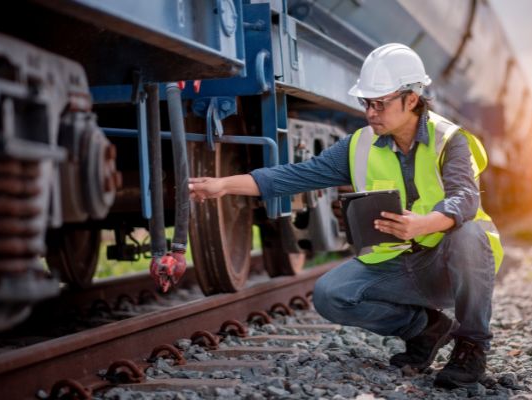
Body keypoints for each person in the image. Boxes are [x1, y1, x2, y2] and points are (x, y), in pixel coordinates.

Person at [188, 43, 504, 388]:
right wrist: (223, 185)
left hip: (450, 266)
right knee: (330, 294)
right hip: (403, 265)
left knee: (469, 234)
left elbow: (464, 198)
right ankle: (425, 329)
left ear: (411, 99)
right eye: (365, 103)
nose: (370, 112)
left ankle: (472, 346)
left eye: (379, 103)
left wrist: (424, 223)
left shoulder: (450, 140)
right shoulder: (360, 145)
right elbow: (295, 175)